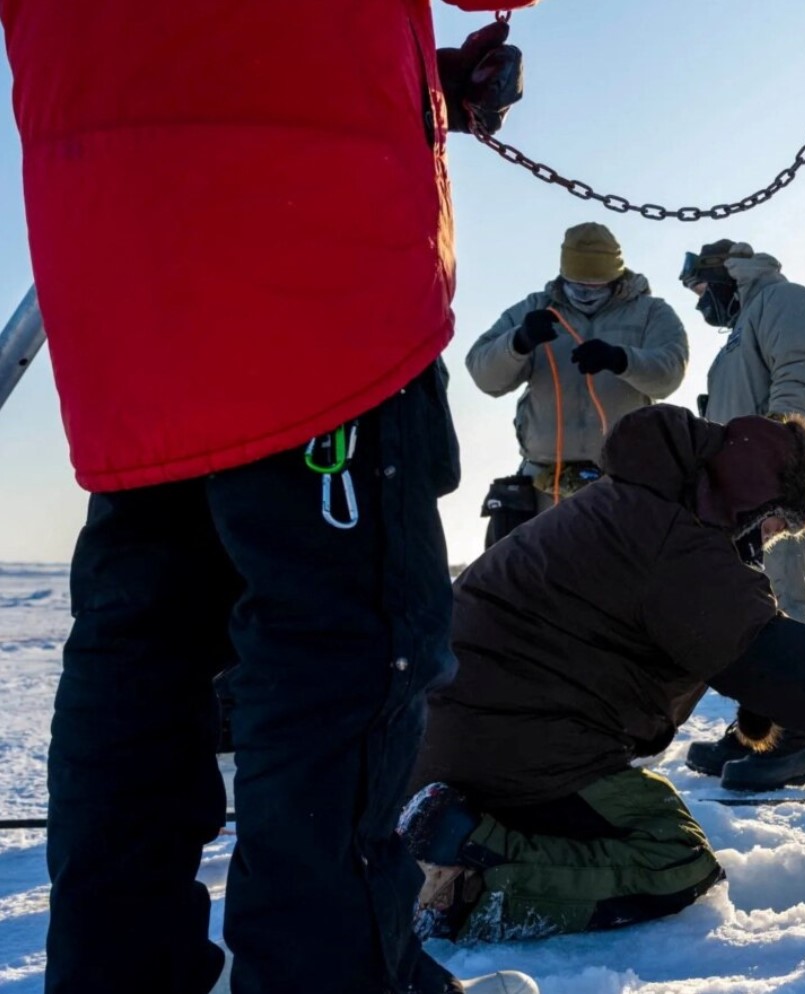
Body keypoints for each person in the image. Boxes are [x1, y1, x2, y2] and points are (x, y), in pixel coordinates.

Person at [2, 3, 540, 992]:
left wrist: (407, 78)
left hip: (116, 271)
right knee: (331, 680)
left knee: (140, 672)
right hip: (315, 282)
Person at [404, 404, 805, 940]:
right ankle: (467, 878)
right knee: (673, 856)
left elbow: (731, 635)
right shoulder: (676, 541)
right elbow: (793, 673)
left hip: (454, 734)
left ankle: (453, 832)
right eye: (776, 527)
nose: (767, 543)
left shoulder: (644, 502)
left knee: (630, 815)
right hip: (508, 743)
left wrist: (756, 676)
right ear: (757, 500)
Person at [677, 240, 805, 791]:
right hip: (744, 493)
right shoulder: (746, 322)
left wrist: (776, 458)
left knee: (781, 603)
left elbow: (804, 376)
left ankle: (791, 742)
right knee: (751, 607)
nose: (700, 302)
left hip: (780, 487)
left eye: (702, 289)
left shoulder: (786, 300)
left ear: (725, 275)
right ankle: (758, 730)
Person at [466, 222, 689, 546]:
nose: (585, 295)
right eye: (577, 286)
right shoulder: (535, 308)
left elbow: (669, 373)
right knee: (532, 589)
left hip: (622, 486)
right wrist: (518, 342)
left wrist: (620, 359)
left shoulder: (652, 313)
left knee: (617, 587)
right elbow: (482, 373)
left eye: (595, 287)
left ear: (615, 278)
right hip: (543, 487)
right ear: (563, 276)